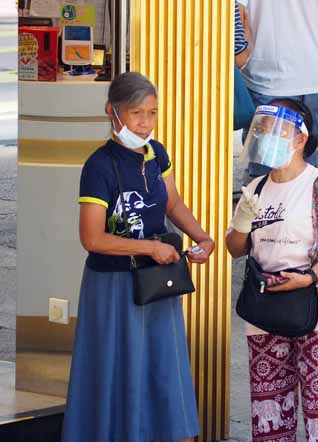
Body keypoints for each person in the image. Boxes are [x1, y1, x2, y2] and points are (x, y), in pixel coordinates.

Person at [62, 72, 215, 442]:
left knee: (163, 369)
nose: (145, 123)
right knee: (117, 370)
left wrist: (202, 237)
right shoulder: (98, 166)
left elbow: (173, 203)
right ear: (112, 112)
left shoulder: (157, 154)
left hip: (157, 283)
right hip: (114, 287)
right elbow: (92, 238)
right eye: (136, 113)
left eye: (152, 113)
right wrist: (150, 247)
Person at [226, 99, 318, 442]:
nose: (266, 137)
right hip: (265, 310)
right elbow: (235, 249)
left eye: (276, 131)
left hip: (315, 312)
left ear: (300, 139)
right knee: (268, 410)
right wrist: (241, 223)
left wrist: (309, 276)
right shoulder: (256, 188)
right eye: (263, 130)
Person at [238, 0, 318, 176]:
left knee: (264, 172)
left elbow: (239, 17)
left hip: (265, 81)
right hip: (314, 80)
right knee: (305, 167)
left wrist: (244, 59)